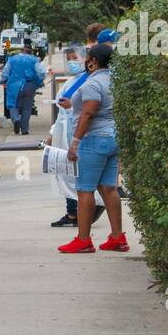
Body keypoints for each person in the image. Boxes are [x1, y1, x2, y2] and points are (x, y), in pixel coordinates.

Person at [58, 42, 128, 253]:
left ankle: (83, 239)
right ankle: (118, 237)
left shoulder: (92, 83)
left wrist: (75, 143)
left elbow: (89, 113)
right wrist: (72, 105)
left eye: (87, 57)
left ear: (94, 61)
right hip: (113, 137)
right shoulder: (115, 80)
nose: (84, 60)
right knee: (109, 187)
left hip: (93, 139)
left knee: (84, 189)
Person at [47, 44, 102, 228]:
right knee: (68, 174)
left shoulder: (94, 82)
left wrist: (76, 140)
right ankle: (73, 213)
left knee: (82, 180)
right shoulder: (76, 80)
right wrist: (53, 133)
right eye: (69, 57)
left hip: (85, 136)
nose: (73, 62)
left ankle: (84, 215)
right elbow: (63, 110)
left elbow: (84, 112)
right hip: (69, 133)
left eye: (76, 57)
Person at [0, 40, 46, 135]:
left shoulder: (12, 59)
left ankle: (16, 119)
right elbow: (41, 72)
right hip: (30, 85)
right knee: (27, 108)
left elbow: (5, 72)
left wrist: (3, 81)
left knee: (13, 105)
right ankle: (25, 129)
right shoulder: (34, 60)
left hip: (14, 86)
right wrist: (40, 81)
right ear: (31, 51)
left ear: (22, 50)